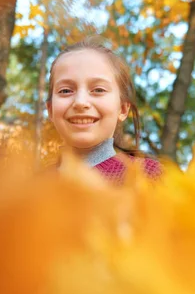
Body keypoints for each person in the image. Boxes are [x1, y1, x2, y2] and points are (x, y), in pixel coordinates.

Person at [46, 37, 162, 185]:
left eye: (98, 90)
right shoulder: (31, 188)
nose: (80, 102)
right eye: (66, 91)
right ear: (50, 110)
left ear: (123, 109)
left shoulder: (149, 177)